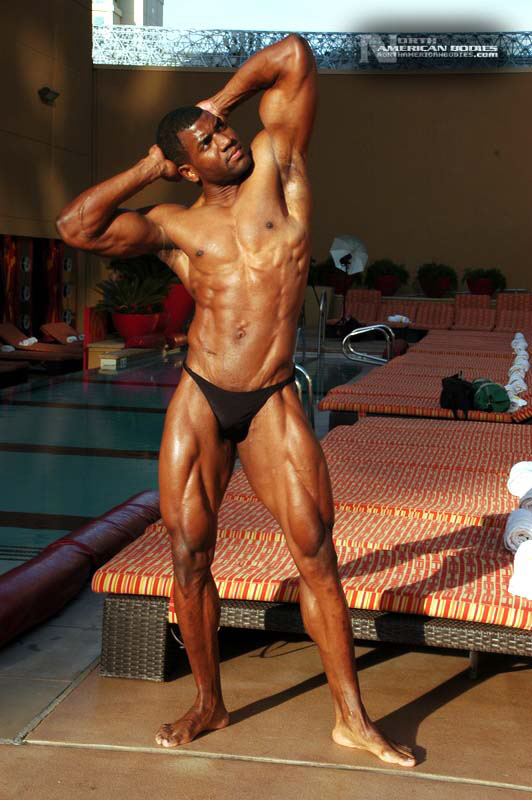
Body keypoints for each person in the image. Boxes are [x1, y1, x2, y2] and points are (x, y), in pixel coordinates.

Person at [56, 35, 415, 767]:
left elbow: (294, 55)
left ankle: (351, 717)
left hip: (271, 396)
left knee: (315, 551)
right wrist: (151, 167)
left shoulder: (278, 161)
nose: (225, 139)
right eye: (209, 141)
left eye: (222, 130)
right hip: (201, 395)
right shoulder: (173, 225)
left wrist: (215, 103)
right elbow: (75, 227)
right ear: (187, 167)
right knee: (189, 553)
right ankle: (209, 702)